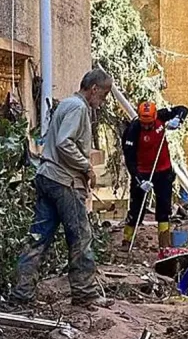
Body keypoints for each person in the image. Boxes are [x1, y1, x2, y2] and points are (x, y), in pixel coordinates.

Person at [13, 69, 114, 309]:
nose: (104, 101)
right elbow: (64, 143)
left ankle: (21, 293)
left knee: (39, 238)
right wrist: (86, 167)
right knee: (80, 236)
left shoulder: (66, 104)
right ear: (94, 89)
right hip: (63, 181)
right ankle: (84, 293)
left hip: (47, 176)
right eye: (104, 95)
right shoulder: (79, 108)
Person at [121, 101, 188, 255]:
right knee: (136, 208)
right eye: (144, 124)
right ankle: (127, 240)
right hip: (143, 173)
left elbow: (182, 108)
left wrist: (178, 119)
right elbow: (130, 161)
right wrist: (139, 180)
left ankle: (164, 245)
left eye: (149, 123)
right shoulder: (132, 131)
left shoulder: (162, 116)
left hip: (163, 171)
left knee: (164, 208)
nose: (147, 127)